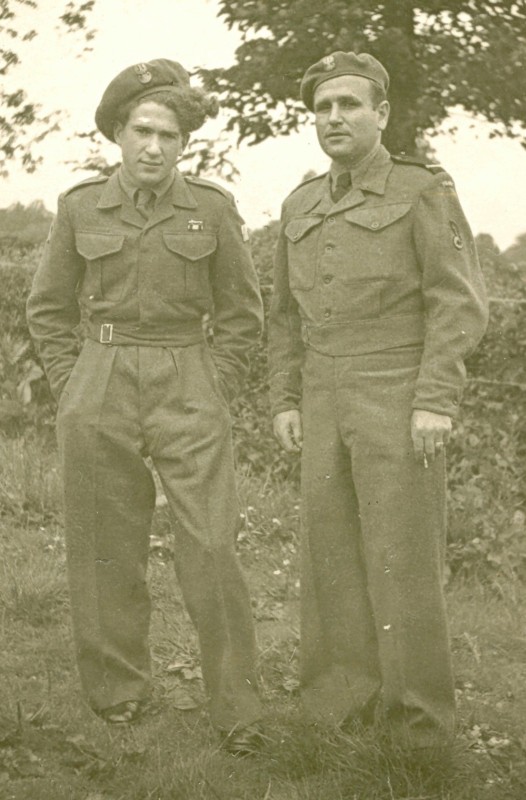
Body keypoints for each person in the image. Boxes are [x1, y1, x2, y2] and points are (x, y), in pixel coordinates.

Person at [27, 58, 263, 752]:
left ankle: (238, 707)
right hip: (99, 376)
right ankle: (117, 691)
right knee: (105, 545)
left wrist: (214, 380)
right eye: (142, 130)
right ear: (118, 134)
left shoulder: (212, 209)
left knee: (213, 544)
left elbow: (243, 313)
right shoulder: (79, 206)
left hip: (188, 375)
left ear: (185, 144)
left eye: (168, 134)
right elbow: (47, 307)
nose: (154, 146)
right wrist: (75, 382)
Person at [268, 51, 488, 750]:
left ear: (382, 113)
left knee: (402, 559)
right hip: (324, 394)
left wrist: (436, 400)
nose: (334, 117)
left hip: (398, 390)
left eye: (349, 104)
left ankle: (420, 726)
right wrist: (286, 398)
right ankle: (339, 711)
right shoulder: (300, 203)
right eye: (322, 107)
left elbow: (458, 301)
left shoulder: (423, 190)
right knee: (328, 555)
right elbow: (282, 316)